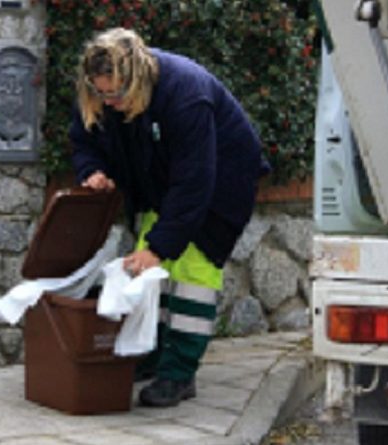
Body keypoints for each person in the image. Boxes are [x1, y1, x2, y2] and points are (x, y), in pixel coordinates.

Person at [70, 27, 270, 407]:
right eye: (102, 93)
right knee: (149, 272)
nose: (109, 102)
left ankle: (178, 374)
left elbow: (194, 182)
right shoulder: (99, 90)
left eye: (116, 94)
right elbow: (85, 137)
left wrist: (160, 247)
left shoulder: (186, 95)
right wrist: (92, 170)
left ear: (135, 79)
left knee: (193, 272)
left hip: (220, 185)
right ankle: (155, 356)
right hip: (164, 184)